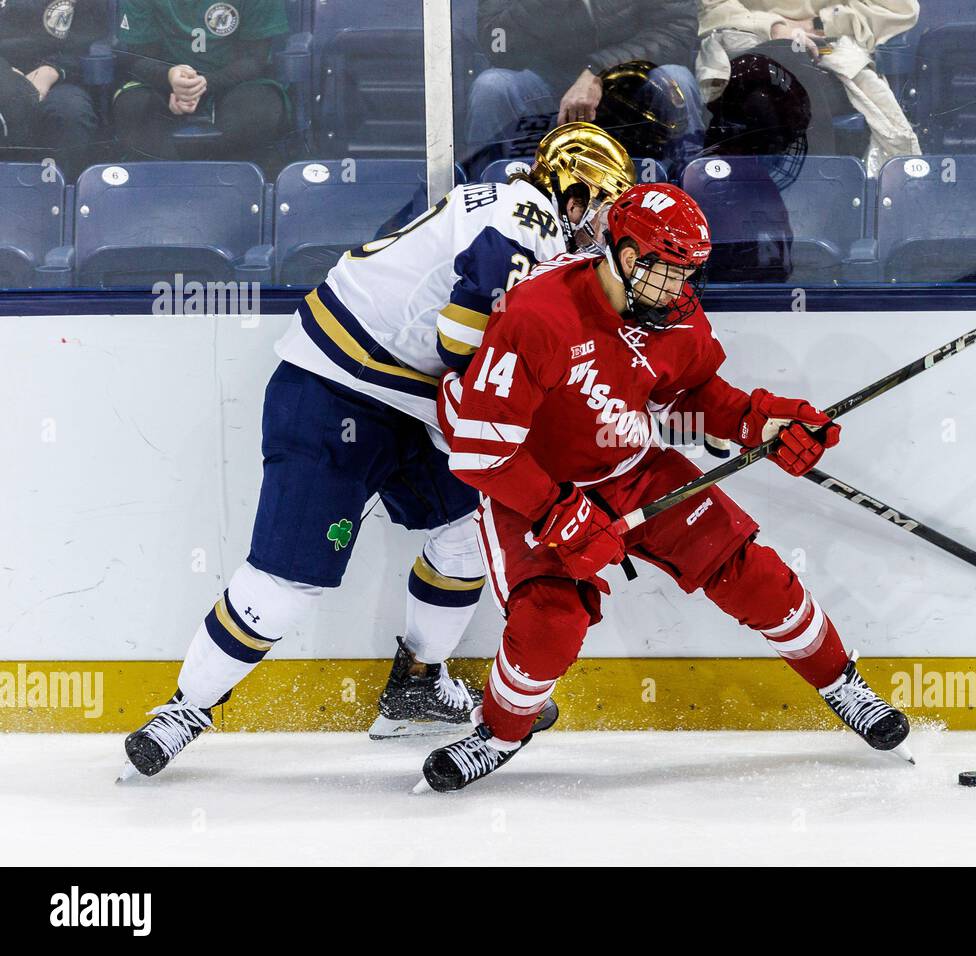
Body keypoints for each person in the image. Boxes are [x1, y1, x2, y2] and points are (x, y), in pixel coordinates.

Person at [119, 124, 637, 779]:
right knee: (286, 580)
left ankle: (417, 683)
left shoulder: (497, 199)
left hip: (405, 399)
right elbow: (464, 328)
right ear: (573, 193)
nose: (599, 228)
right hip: (337, 390)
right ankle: (183, 710)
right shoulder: (526, 217)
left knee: (468, 531)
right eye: (599, 206)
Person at [417, 183, 912, 792]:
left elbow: (694, 396)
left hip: (632, 469)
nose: (682, 289)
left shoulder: (671, 314)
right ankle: (496, 733)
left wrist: (763, 421)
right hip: (531, 484)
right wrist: (557, 511)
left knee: (754, 573)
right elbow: (480, 450)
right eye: (670, 273)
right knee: (549, 623)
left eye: (688, 274)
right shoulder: (538, 314)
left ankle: (842, 684)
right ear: (627, 258)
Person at [468, 0, 706, 176]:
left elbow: (677, 32)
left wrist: (598, 71)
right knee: (493, 87)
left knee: (677, 81)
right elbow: (496, 44)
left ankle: (688, 203)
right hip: (546, 83)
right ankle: (489, 207)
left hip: (631, 84)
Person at [696, 0, 920, 176]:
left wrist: (820, 23)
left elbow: (899, 8)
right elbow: (714, 6)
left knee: (788, 71)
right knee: (779, 66)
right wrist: (773, 27)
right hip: (749, 41)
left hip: (828, 51)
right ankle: (819, 191)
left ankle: (813, 194)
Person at [111, 0, 289, 161]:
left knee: (258, 111)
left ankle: (227, 186)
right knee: (133, 106)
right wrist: (169, 77)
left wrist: (204, 84)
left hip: (236, 84)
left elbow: (255, 58)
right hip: (164, 84)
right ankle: (169, 185)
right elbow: (139, 57)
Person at [0, 0, 108, 172]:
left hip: (59, 75)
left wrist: (53, 70)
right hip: (4, 71)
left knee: (71, 112)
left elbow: (94, 42)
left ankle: (70, 190)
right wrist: (6, 73)